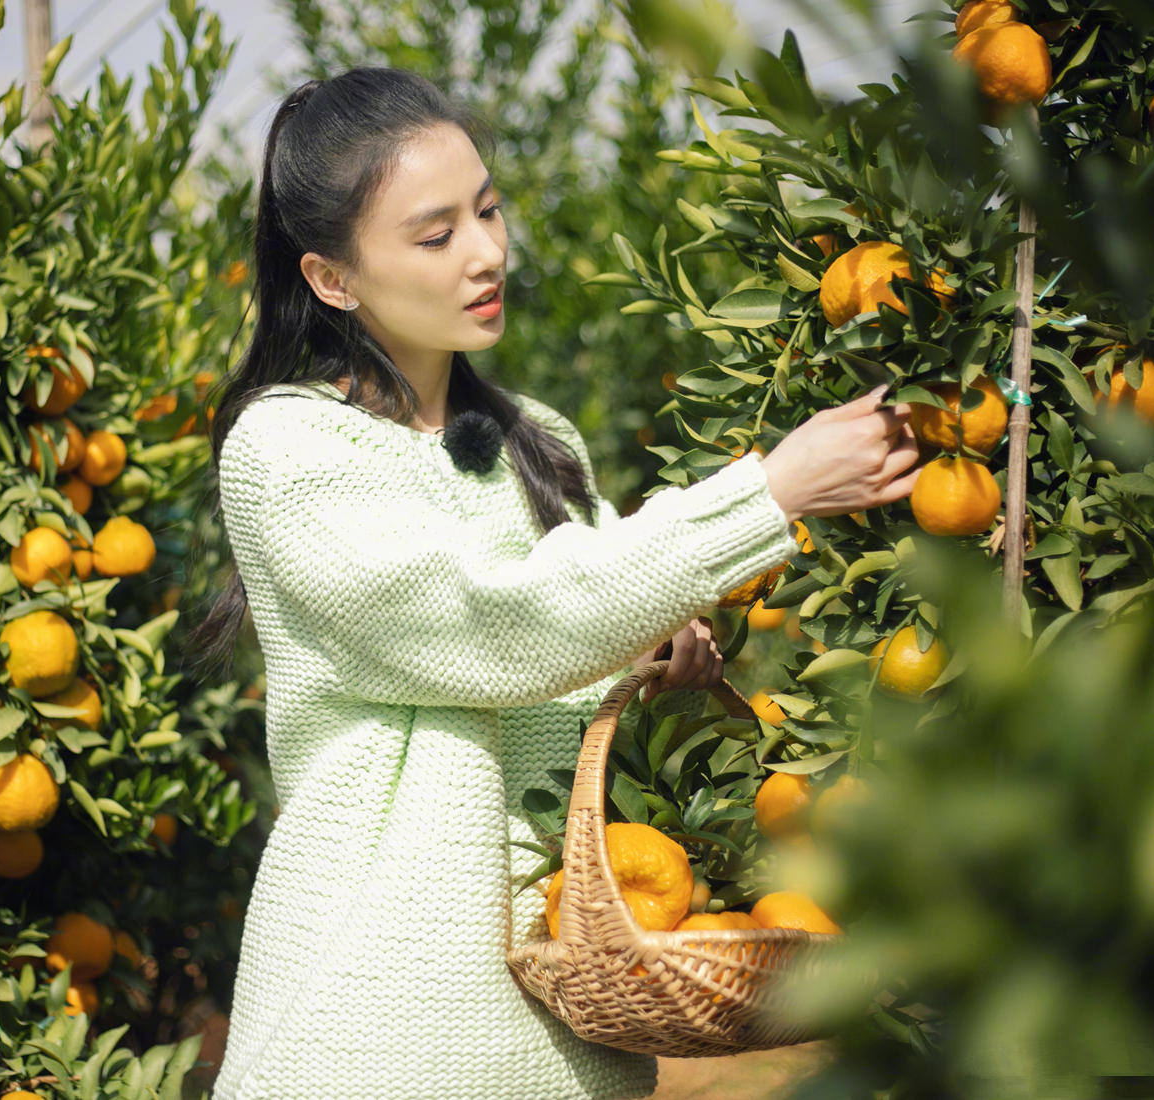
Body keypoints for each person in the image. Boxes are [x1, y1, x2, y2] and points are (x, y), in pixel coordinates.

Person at [191, 68, 920, 1100]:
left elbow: (565, 637)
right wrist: (768, 491)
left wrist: (645, 648)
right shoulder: (289, 449)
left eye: (487, 208)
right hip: (371, 1036)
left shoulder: (537, 444)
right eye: (436, 234)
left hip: (563, 1044)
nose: (489, 251)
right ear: (333, 278)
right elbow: (491, 623)